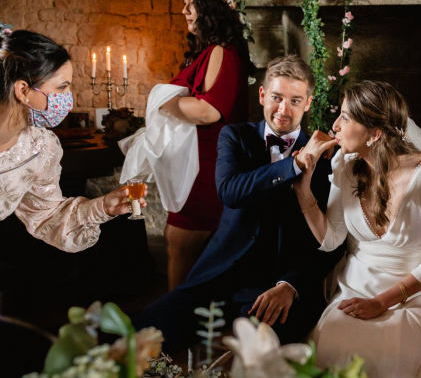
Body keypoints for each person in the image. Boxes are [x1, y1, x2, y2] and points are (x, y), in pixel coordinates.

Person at [133, 56, 344, 353]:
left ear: (308, 103)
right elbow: (230, 191)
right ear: (261, 95)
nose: (283, 110)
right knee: (140, 334)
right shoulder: (235, 136)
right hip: (218, 277)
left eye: (295, 100)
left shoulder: (328, 158)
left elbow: (333, 239)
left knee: (260, 355)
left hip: (273, 287)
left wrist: (291, 286)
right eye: (276, 97)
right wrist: (295, 163)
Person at [293, 81, 421, 377]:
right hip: (357, 283)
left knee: (386, 348)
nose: (335, 125)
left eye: (346, 117)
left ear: (375, 133)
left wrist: (381, 303)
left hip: (414, 290)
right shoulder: (345, 165)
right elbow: (331, 239)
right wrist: (303, 189)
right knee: (335, 339)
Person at [0, 30, 146, 251]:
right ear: (23, 90)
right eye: (62, 87)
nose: (69, 98)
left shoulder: (40, 146)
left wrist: (102, 207)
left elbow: (47, 215)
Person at [160, 0, 256, 291]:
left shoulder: (222, 52)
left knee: (179, 243)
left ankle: (171, 325)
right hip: (199, 161)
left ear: (208, 6)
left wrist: (162, 102)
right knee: (179, 244)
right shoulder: (209, 50)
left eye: (191, 4)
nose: (185, 11)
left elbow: (209, 110)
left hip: (213, 165)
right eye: (184, 4)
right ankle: (185, 321)